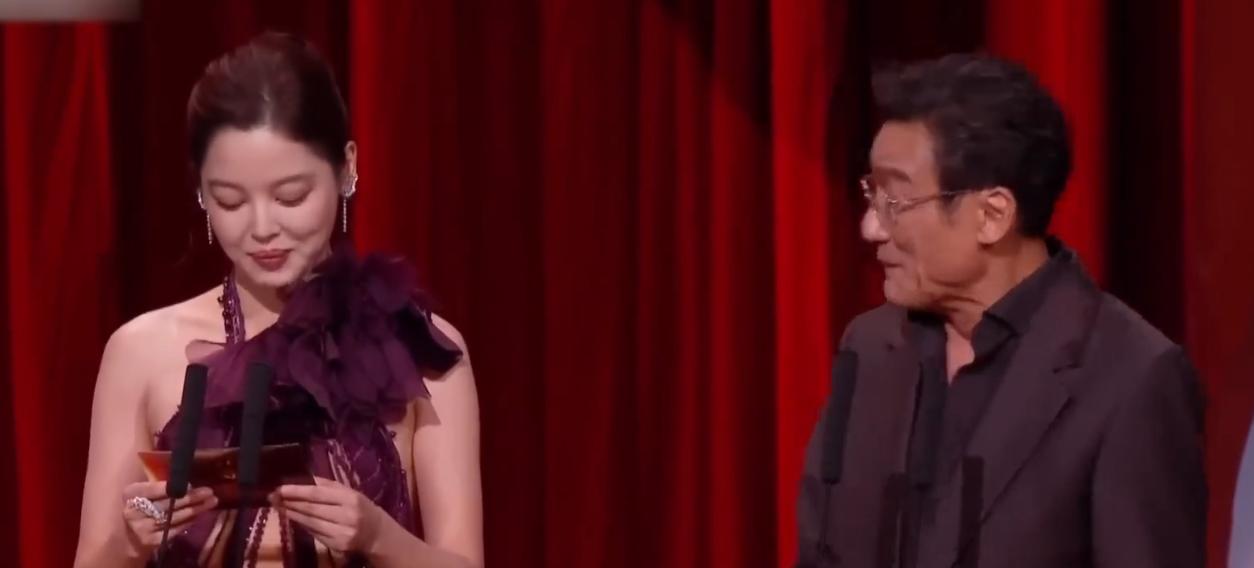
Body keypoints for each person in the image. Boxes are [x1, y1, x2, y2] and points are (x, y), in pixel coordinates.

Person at [73, 32, 483, 567]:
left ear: (347, 168)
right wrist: (132, 541)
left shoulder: (421, 347)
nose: (262, 227)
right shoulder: (140, 352)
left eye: (291, 196)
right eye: (230, 201)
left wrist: (380, 536)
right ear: (201, 192)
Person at [796, 53, 1206, 567]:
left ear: (991, 215)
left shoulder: (1131, 378)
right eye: (871, 194)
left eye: (895, 202)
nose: (871, 228)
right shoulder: (871, 347)